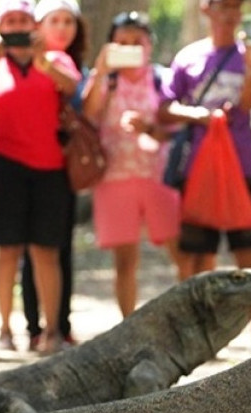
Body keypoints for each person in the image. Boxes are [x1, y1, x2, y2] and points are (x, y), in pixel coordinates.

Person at [158, 0, 251, 347]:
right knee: (197, 252)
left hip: (241, 165)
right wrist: (199, 116)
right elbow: (165, 108)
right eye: (223, 5)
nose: (230, 13)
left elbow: (248, 104)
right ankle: (195, 330)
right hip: (199, 170)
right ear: (206, 9)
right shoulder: (187, 58)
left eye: (236, 6)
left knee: (246, 250)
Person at [0, 0, 80, 354]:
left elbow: (70, 87)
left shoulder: (52, 58)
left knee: (45, 251)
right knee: (6, 249)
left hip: (48, 168)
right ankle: (5, 329)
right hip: (3, 165)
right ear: (0, 27)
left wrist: (43, 62)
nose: (17, 27)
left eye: (23, 20)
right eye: (10, 21)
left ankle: (52, 332)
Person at [81, 11, 181, 318]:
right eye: (121, 42)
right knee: (125, 262)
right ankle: (129, 326)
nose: (130, 48)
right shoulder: (105, 79)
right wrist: (99, 71)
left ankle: (191, 320)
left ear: (149, 43)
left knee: (181, 254)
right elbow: (88, 114)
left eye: (137, 41)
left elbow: (175, 129)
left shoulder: (163, 79)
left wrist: (148, 129)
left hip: (159, 177)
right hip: (113, 179)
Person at [20, 0, 87, 349]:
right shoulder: (18, 60)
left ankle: (59, 324)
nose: (62, 28)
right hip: (26, 164)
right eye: (54, 20)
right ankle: (33, 326)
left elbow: (77, 94)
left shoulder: (78, 67)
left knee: (59, 247)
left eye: (68, 21)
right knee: (30, 250)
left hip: (64, 168)